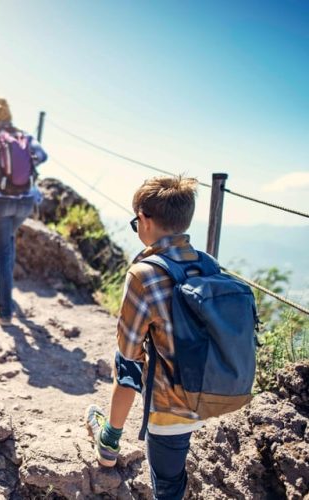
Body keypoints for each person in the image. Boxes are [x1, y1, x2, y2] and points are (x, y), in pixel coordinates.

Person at [85, 175, 203, 500]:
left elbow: (128, 354)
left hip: (170, 404)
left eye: (135, 220)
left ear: (145, 221)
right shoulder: (207, 266)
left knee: (166, 485)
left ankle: (108, 442)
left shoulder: (144, 274)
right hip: (212, 387)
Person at [0, 98, 48, 325]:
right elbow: (42, 156)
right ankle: (5, 297)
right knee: (9, 242)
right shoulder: (25, 135)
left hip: (0, 202)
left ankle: (5, 312)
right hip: (25, 201)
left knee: (3, 254)